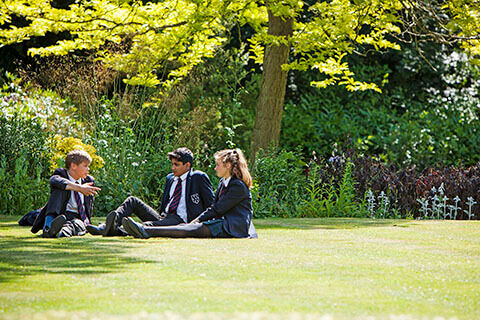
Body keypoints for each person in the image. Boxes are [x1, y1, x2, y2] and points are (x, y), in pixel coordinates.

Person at [122, 148, 257, 239]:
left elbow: (217, 208)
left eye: (218, 165)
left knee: (190, 229)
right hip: (223, 222)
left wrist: (197, 219)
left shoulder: (237, 186)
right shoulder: (223, 182)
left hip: (233, 227)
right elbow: (216, 207)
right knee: (186, 228)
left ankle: (145, 230)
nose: (215, 168)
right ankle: (140, 229)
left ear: (228, 165)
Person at [87, 147, 215, 236]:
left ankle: (120, 230)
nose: (172, 168)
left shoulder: (198, 177)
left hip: (182, 220)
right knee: (132, 201)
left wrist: (200, 224)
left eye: (177, 165)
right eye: (172, 164)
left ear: (187, 165)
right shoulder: (170, 178)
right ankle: (107, 226)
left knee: (148, 225)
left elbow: (211, 204)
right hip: (165, 216)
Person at [31, 150, 101, 238]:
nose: (88, 169)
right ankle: (49, 227)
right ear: (73, 165)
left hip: (77, 217)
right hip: (60, 214)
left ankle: (58, 231)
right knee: (60, 188)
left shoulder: (89, 180)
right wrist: (80, 188)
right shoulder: (60, 174)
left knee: (75, 224)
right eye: (85, 166)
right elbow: (55, 181)